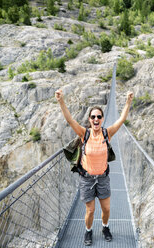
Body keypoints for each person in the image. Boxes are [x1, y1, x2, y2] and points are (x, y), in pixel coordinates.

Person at [55, 88, 134, 245]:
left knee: (106, 210)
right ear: (90, 120)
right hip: (87, 179)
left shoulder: (107, 133)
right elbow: (70, 120)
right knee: (90, 211)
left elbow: (121, 120)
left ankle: (105, 227)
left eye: (99, 116)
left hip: (103, 178)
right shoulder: (84, 134)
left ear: (102, 119)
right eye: (93, 117)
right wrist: (61, 101)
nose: (96, 119)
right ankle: (88, 231)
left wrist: (128, 102)